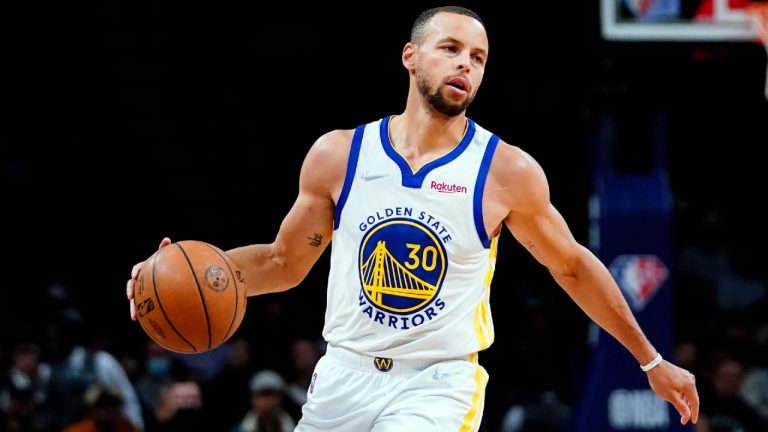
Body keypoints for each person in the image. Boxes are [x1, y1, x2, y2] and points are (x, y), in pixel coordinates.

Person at [126, 6, 699, 431]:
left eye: (477, 59)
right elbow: (283, 263)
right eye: (450, 49)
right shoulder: (339, 155)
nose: (465, 65)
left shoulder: (505, 171)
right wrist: (189, 274)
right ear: (410, 56)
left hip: (438, 382)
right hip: (343, 375)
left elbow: (572, 266)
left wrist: (650, 358)